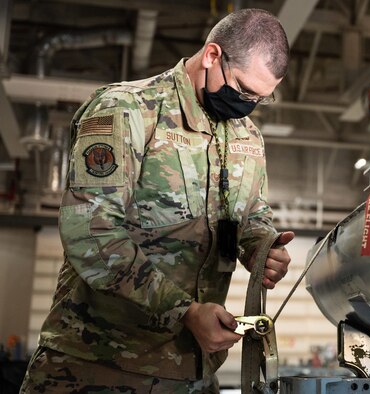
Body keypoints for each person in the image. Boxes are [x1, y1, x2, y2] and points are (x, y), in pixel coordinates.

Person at [20, 8, 294, 394]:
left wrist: (261, 248)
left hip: (192, 372)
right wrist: (184, 312)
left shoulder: (247, 137)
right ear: (213, 55)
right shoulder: (127, 110)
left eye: (261, 99)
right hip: (98, 367)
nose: (248, 105)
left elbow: (249, 214)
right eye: (245, 90)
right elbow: (92, 233)